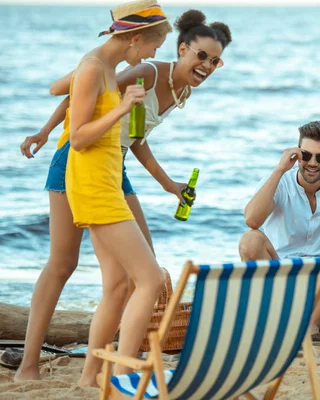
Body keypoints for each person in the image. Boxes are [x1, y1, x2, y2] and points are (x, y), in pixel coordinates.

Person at [15, 7, 232, 384]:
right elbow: (81, 94)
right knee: (63, 264)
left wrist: (169, 185)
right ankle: (29, 366)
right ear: (181, 49)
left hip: (116, 164)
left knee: (133, 276)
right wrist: (46, 130)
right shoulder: (147, 71)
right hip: (78, 159)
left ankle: (97, 371)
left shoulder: (182, 91)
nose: (207, 65)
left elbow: (136, 137)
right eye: (201, 55)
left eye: (215, 61)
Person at [239, 121, 320, 334]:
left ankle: (312, 321)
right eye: (306, 155)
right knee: (250, 240)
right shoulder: (278, 181)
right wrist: (280, 169)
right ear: (296, 154)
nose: (312, 163)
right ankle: (275, 313)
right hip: (279, 279)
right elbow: (252, 220)